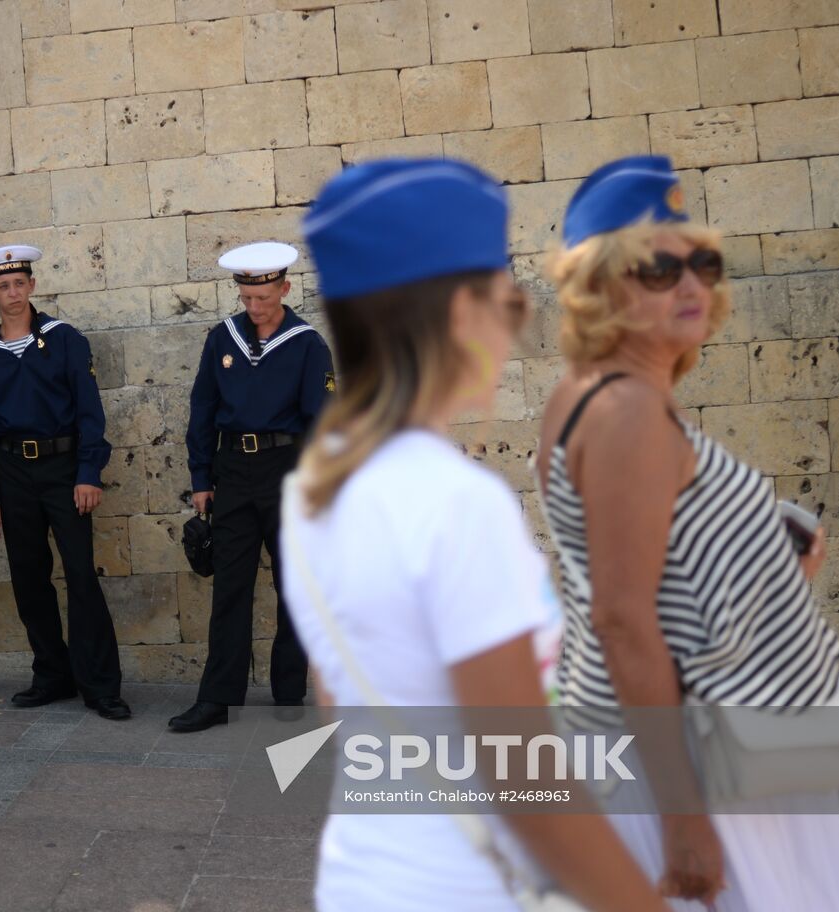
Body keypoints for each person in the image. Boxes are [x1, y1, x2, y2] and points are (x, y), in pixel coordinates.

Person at [280, 158, 667, 911]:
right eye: (510, 303)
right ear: (463, 315)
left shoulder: (313, 486)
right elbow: (523, 776)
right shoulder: (457, 501)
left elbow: (348, 705)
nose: (518, 324)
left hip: (363, 876)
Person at [536, 155, 839, 910]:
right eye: (658, 267)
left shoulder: (594, 396)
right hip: (705, 762)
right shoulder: (626, 415)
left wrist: (766, 566)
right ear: (601, 283)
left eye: (703, 263)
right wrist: (684, 819)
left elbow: (656, 583)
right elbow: (622, 617)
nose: (691, 284)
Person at [169, 242, 333, 734]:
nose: (255, 307)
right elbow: (202, 412)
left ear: (284, 288)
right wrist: (201, 479)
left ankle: (289, 692)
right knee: (230, 588)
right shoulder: (222, 340)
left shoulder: (307, 344)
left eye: (263, 297)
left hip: (289, 472)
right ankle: (218, 699)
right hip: (234, 471)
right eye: (246, 298)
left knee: (295, 589)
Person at [0, 245, 130, 721]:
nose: (13, 293)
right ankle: (51, 674)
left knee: (80, 574)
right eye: (3, 286)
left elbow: (89, 413)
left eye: (20, 283)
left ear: (32, 286)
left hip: (63, 470)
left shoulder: (64, 340)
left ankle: (100, 686)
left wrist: (87, 473)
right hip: (12, 472)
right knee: (28, 577)